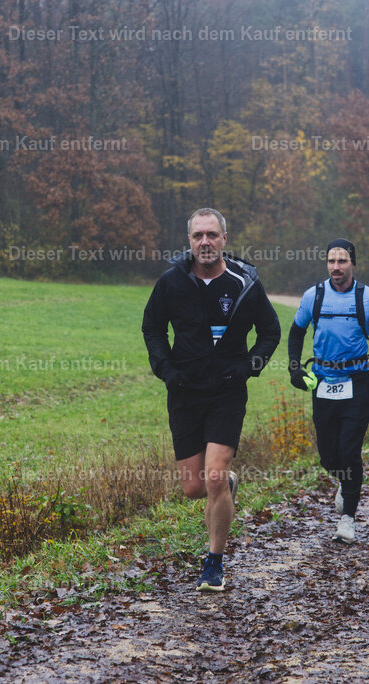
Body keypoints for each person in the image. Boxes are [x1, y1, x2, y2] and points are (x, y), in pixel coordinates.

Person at [142, 207, 280, 591]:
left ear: (224, 239)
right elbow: (152, 329)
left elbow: (270, 332)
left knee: (214, 477)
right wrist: (167, 370)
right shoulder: (171, 282)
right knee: (194, 488)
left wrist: (247, 367)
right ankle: (225, 484)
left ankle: (213, 563)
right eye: (198, 236)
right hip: (185, 392)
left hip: (227, 392)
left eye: (212, 235)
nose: (205, 242)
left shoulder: (244, 283)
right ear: (189, 241)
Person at [287, 239, 369, 544]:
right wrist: (294, 368)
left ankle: (348, 519)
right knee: (329, 456)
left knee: (350, 451)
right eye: (331, 261)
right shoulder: (313, 296)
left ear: (352, 263)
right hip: (323, 382)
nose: (336, 267)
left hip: (357, 382)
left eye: (342, 261)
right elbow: (297, 331)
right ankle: (345, 482)